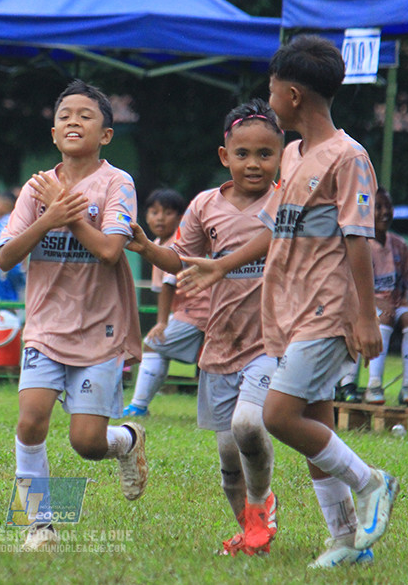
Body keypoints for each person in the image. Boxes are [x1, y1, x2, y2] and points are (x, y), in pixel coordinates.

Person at [177, 35, 398, 568]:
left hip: (326, 311)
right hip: (290, 313)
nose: (268, 96)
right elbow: (275, 230)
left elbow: (358, 239)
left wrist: (366, 317)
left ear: (292, 94)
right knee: (315, 420)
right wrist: (221, 265)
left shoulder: (348, 157)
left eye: (272, 87)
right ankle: (346, 541)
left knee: (276, 416)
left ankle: (373, 483)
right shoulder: (294, 154)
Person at [0, 80, 147, 551]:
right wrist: (48, 214)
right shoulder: (37, 187)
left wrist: (70, 213)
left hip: (99, 331)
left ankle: (126, 440)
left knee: (86, 443)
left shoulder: (118, 184)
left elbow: (108, 250)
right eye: (64, 115)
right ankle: (40, 527)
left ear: (106, 134)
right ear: (54, 132)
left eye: (85, 115)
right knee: (30, 420)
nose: (73, 122)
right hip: (44, 327)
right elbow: (4, 258)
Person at [129, 99, 283, 556]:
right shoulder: (204, 206)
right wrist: (146, 247)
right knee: (228, 458)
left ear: (281, 155)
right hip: (220, 344)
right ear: (224, 156)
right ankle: (252, 533)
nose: (253, 164)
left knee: (249, 425)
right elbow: (178, 261)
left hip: (271, 341)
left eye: (265, 154)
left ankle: (262, 506)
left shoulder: (287, 200)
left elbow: (278, 238)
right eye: (243, 154)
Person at [123, 188, 206, 418]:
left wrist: (161, 322)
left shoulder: (176, 242)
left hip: (198, 311)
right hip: (191, 311)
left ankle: (138, 407)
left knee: (152, 343)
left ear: (181, 218)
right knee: (209, 362)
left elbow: (169, 284)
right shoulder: (158, 242)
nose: (160, 218)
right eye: (154, 212)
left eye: (168, 213)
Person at [337, 187, 408, 406]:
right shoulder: (360, 244)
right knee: (384, 317)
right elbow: (352, 286)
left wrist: (405, 300)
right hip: (364, 304)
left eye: (388, 207)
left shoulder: (399, 245)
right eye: (378, 207)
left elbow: (404, 283)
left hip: (394, 301)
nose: (385, 212)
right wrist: (377, 301)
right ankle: (374, 385)